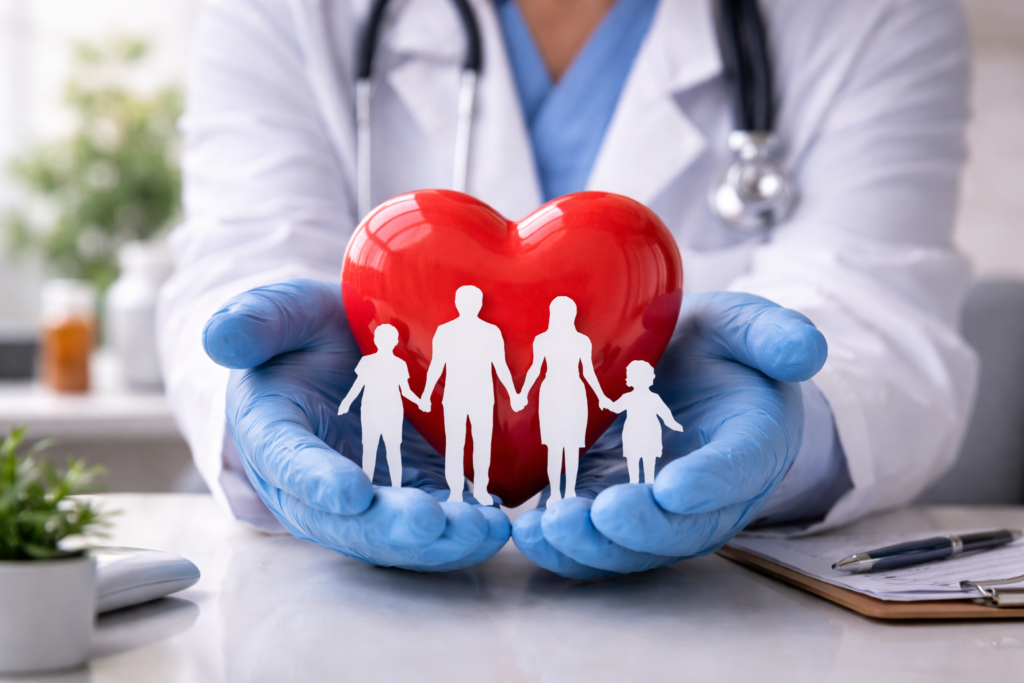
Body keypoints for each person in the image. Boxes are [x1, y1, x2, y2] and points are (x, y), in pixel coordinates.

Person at [161, 0, 978, 576]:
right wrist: (269, 394)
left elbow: (877, 302)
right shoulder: (283, 12)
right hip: (350, 596)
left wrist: (792, 428)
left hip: (702, 612)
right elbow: (243, 251)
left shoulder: (872, 13)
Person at [420, 286, 525, 507]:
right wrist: (426, 394)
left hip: (480, 397)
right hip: (460, 396)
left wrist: (514, 394)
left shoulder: (489, 332)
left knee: (475, 444)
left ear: (478, 305)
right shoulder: (448, 331)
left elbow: (500, 366)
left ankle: (479, 489)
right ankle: (458, 491)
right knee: (461, 444)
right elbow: (437, 366)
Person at [518, 296, 610, 502]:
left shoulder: (581, 341)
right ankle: (556, 493)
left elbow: (588, 372)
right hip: (552, 393)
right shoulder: (543, 340)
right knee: (554, 446)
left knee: (571, 445)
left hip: (572, 392)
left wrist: (602, 396)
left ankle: (568, 491)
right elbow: (535, 369)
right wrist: (522, 394)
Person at [337, 324, 423, 488]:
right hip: (373, 409)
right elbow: (359, 385)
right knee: (374, 447)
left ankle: (395, 487)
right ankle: (369, 485)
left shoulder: (397, 364)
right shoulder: (370, 361)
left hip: (389, 410)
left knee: (389, 449)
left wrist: (420, 402)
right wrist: (346, 402)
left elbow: (405, 391)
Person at [605, 360, 684, 485]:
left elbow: (665, 414)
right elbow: (616, 408)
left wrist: (674, 424)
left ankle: (647, 482)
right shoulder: (630, 397)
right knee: (635, 458)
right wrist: (606, 402)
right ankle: (635, 483)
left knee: (646, 458)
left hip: (649, 433)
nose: (653, 376)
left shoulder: (651, 398)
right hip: (634, 433)